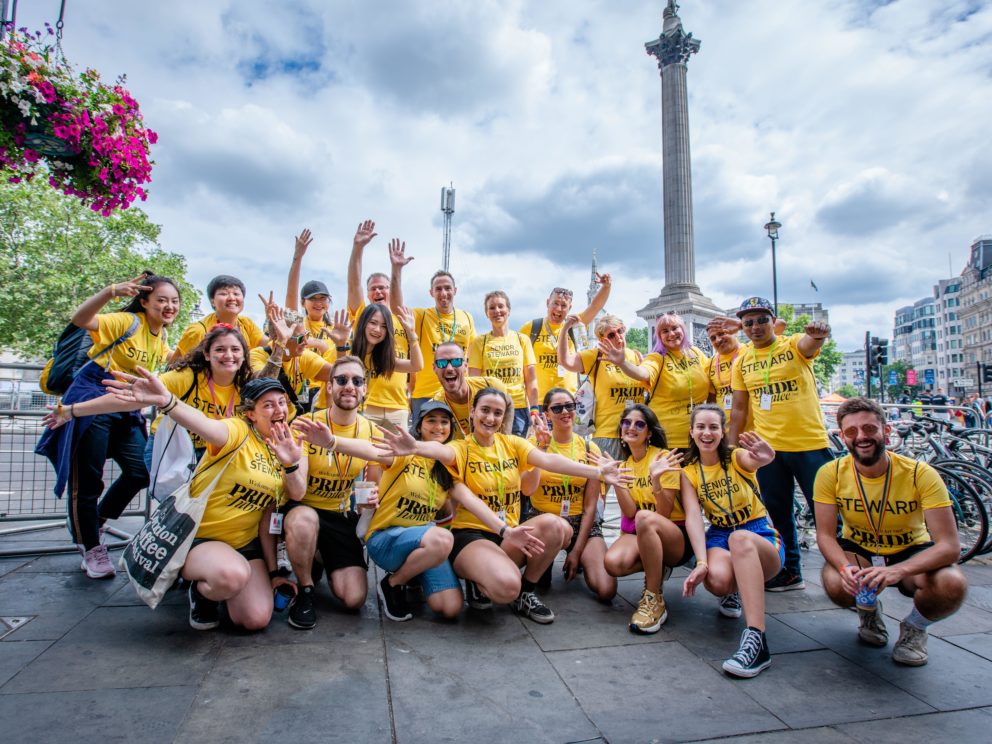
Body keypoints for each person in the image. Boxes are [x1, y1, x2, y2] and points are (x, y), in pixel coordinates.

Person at [375, 387, 630, 624]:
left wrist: (596, 472)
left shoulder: (512, 443)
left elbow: (549, 460)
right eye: (484, 410)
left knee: (558, 526)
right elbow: (440, 452)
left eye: (498, 413)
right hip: (471, 537)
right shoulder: (460, 448)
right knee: (506, 586)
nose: (490, 418)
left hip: (509, 535)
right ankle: (481, 579)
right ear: (473, 412)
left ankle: (526, 593)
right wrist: (415, 446)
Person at [105, 374, 307, 631]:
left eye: (282, 402)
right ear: (251, 414)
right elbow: (204, 425)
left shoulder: (284, 445)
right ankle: (202, 592)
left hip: (244, 544)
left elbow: (292, 497)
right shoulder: (237, 430)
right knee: (232, 576)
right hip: (199, 538)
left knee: (255, 619)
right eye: (268, 404)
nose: (278, 409)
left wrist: (290, 464)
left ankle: (223, 583)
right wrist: (167, 401)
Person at [294, 401, 515, 622]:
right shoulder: (404, 453)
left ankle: (412, 574)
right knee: (442, 538)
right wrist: (331, 441)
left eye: (444, 422)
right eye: (431, 420)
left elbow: (472, 501)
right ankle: (392, 584)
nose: (438, 427)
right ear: (419, 426)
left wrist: (505, 531)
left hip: (425, 543)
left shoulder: (448, 470)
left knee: (451, 607)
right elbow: (370, 450)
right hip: (387, 539)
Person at [36, 273, 180, 579]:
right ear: (144, 302)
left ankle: (96, 519)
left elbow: (176, 361)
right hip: (93, 397)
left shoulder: (162, 336)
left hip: (125, 405)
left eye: (174, 302)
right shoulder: (128, 323)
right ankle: (90, 547)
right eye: (162, 300)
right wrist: (110, 291)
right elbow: (80, 318)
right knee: (87, 481)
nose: (169, 306)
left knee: (140, 472)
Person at [814, 396, 967, 666]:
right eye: (851, 432)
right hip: (860, 551)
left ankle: (915, 627)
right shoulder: (831, 473)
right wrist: (843, 568)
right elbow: (825, 535)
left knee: (951, 584)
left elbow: (949, 546)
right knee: (836, 581)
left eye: (869, 429)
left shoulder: (921, 473)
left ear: (886, 430)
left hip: (910, 552)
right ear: (843, 437)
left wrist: (897, 571)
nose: (861, 436)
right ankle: (868, 608)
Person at [724, 297, 833, 592]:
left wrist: (817, 335)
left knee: (828, 513)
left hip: (809, 444)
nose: (755, 327)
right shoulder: (743, 360)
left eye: (761, 320)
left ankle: (848, 574)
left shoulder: (792, 344)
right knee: (778, 511)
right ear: (742, 327)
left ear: (773, 321)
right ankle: (790, 570)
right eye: (748, 322)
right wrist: (731, 450)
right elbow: (739, 409)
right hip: (768, 450)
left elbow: (810, 344)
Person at [44, 324, 251, 469]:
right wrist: (72, 410)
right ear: (207, 354)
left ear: (243, 355)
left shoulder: (246, 386)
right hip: (173, 450)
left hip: (214, 454)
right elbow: (129, 400)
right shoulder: (185, 378)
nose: (229, 355)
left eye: (235, 349)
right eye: (220, 349)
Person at [680, 404, 784, 678]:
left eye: (713, 426)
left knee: (739, 539)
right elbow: (693, 516)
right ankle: (734, 589)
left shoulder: (736, 457)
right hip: (720, 534)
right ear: (691, 431)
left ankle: (757, 640)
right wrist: (701, 561)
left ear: (722, 431)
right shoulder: (689, 472)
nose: (706, 432)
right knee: (715, 580)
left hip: (758, 533)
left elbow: (755, 461)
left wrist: (765, 457)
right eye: (700, 426)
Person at [280, 356, 383, 629]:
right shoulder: (305, 423)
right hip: (303, 509)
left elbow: (367, 495)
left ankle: (316, 555)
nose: (349, 386)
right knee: (305, 521)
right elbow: (297, 492)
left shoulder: (371, 430)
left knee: (354, 599)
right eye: (341, 380)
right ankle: (305, 590)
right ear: (329, 387)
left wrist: (370, 502)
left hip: (339, 514)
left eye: (357, 381)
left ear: (364, 389)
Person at [520, 388, 616, 602]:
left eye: (569, 406)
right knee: (541, 583)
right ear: (546, 413)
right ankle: (543, 562)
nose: (565, 411)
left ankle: (577, 558)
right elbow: (527, 490)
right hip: (544, 520)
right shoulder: (533, 445)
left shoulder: (590, 447)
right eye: (557, 408)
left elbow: (591, 506)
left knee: (606, 589)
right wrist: (542, 449)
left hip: (580, 522)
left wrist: (577, 551)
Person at [603, 404, 685, 634]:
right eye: (626, 422)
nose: (631, 427)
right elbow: (629, 513)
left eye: (639, 424)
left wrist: (656, 480)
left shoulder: (663, 458)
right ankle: (657, 567)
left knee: (646, 517)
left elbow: (665, 513)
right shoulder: (627, 465)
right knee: (613, 563)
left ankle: (654, 597)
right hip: (644, 529)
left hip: (674, 535)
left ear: (649, 432)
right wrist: (616, 481)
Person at [388, 238, 476, 423]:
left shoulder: (467, 318)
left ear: (455, 290)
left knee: (458, 447)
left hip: (458, 393)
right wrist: (396, 270)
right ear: (431, 293)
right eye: (438, 289)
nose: (443, 293)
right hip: (425, 393)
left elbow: (471, 357)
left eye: (447, 288)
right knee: (424, 448)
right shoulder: (422, 316)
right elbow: (396, 308)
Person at [600, 312, 708, 449]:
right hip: (668, 441)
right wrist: (622, 363)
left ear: (683, 329)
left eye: (675, 328)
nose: (671, 334)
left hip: (699, 438)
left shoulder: (696, 353)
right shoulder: (657, 358)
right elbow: (643, 373)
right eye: (665, 331)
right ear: (659, 336)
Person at [557, 313, 644, 460]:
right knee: (606, 481)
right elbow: (566, 361)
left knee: (635, 482)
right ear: (602, 340)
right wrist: (565, 329)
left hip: (637, 433)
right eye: (611, 335)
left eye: (620, 331)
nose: (618, 337)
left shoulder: (635, 356)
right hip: (609, 435)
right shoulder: (596, 356)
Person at [518, 279, 611, 400]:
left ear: (570, 308)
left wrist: (606, 286)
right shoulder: (531, 327)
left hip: (567, 399)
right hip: (539, 400)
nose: (559, 309)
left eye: (563, 305)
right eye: (555, 303)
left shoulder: (574, 325)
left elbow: (596, 306)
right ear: (547, 303)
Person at [249, 302, 347, 415]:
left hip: (289, 422)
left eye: (307, 335)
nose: (306, 342)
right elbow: (263, 388)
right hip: (263, 423)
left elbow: (338, 375)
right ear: (278, 337)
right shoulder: (256, 356)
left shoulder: (303, 357)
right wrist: (280, 345)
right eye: (301, 338)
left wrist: (341, 346)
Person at [469, 291, 539, 436]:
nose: (497, 311)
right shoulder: (479, 342)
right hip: (490, 408)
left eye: (501, 306)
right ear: (487, 313)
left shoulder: (522, 339)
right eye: (492, 308)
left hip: (517, 408)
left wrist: (534, 409)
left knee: (514, 453)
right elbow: (474, 382)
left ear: (508, 310)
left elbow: (531, 380)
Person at [351, 302, 423, 431]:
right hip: (366, 410)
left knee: (400, 451)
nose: (377, 329)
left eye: (383, 326)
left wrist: (411, 334)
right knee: (364, 450)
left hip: (397, 410)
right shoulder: (350, 350)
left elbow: (416, 365)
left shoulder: (385, 356)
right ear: (363, 323)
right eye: (373, 323)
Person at [169, 275, 263, 362]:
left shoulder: (246, 323)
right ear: (212, 301)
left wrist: (274, 326)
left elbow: (269, 346)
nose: (231, 298)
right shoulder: (198, 332)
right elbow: (175, 366)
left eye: (236, 293)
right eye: (224, 293)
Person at [430, 342, 507, 439]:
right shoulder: (434, 407)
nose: (449, 368)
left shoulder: (490, 385)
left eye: (456, 362)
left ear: (465, 366)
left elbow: (509, 404)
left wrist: (505, 439)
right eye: (442, 363)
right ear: (434, 368)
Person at [284, 228, 336, 357]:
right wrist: (297, 258)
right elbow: (291, 298)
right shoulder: (298, 324)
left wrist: (319, 343)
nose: (319, 303)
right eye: (313, 299)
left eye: (323, 298)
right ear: (303, 303)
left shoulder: (336, 329)